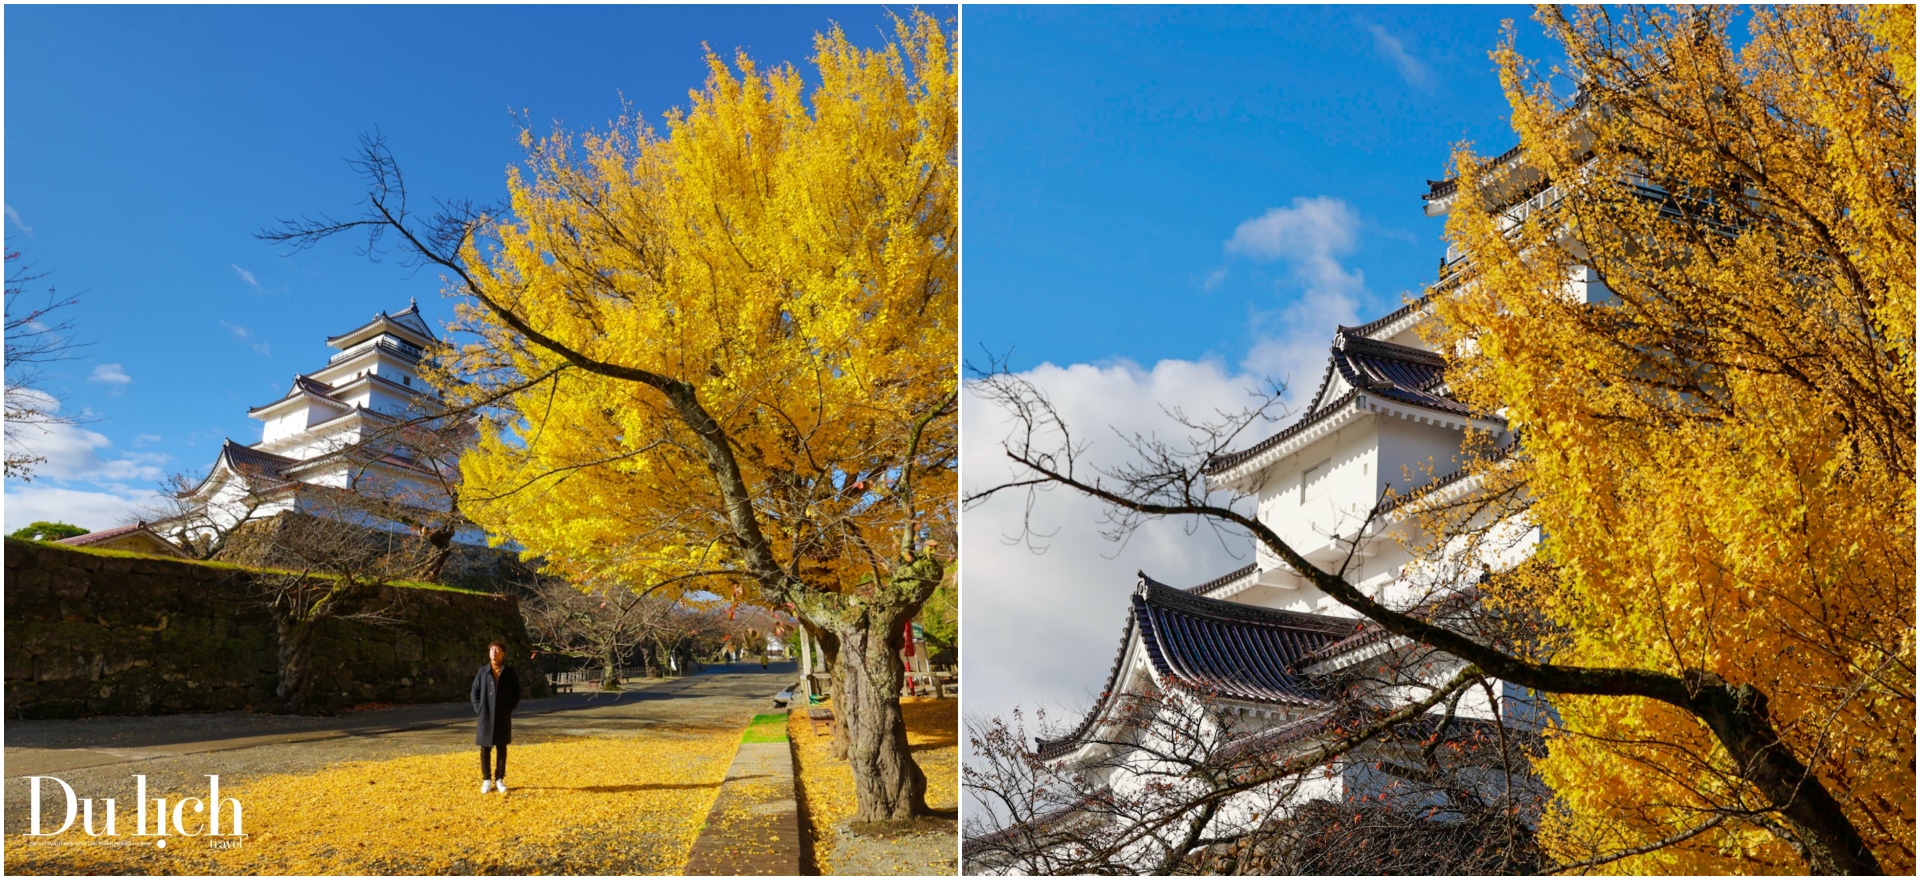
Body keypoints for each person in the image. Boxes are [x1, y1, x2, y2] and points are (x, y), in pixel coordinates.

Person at [471, 640, 522, 794]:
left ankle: (499, 779)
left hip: (502, 716)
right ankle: (486, 779)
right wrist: (479, 708)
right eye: (492, 649)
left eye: (497, 649)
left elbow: (517, 693)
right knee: (485, 748)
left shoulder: (508, 672)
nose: (494, 652)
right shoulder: (483, 672)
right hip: (485, 715)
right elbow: (474, 692)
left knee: (501, 747)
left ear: (503, 653)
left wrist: (509, 709)